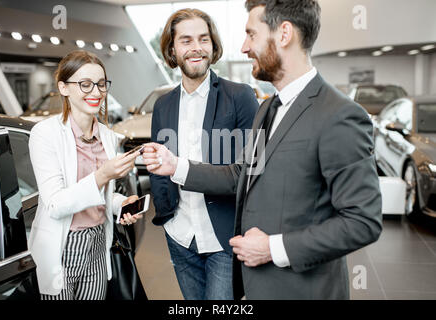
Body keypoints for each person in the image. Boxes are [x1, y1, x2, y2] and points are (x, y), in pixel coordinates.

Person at [143, 0, 383, 300]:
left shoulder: (340, 114)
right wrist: (175, 166)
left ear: (284, 34)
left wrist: (273, 248)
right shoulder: (268, 108)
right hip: (258, 282)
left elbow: (362, 221)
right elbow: (241, 174)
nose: (244, 47)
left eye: (251, 34)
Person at [149, 8, 258, 300]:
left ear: (213, 45)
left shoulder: (241, 96)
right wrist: (166, 216)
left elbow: (249, 173)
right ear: (172, 49)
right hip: (180, 235)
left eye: (203, 39)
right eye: (186, 40)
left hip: (224, 238)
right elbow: (158, 164)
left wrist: (177, 167)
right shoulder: (163, 106)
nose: (196, 48)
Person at [28, 50, 143, 300]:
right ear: (64, 87)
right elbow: (56, 204)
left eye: (101, 84)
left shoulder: (108, 136)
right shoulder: (45, 134)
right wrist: (102, 174)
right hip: (62, 246)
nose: (96, 92)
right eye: (85, 84)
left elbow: (100, 194)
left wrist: (119, 204)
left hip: (98, 241)